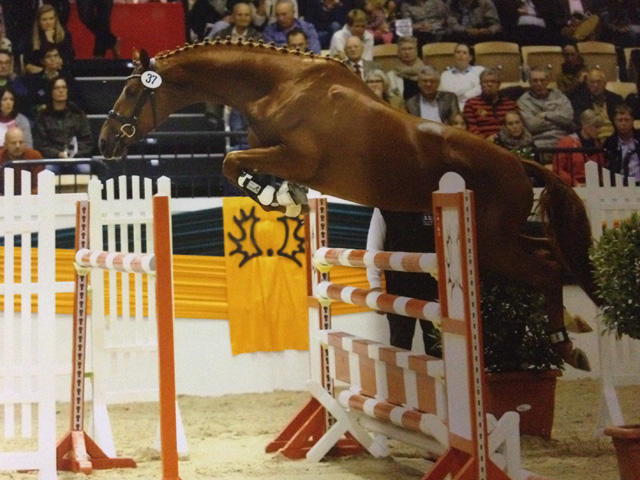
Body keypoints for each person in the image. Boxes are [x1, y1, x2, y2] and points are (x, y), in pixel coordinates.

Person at [366, 207, 441, 357]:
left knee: (436, 348)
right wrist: (374, 286)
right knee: (400, 346)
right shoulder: (383, 208)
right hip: (398, 288)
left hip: (432, 288)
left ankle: (440, 381)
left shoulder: (431, 203)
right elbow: (373, 249)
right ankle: (397, 381)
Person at [517, 66, 575, 157]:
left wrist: (546, 115)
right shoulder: (523, 101)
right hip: (539, 144)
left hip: (565, 141)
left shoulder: (559, 95)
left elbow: (568, 119)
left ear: (547, 81)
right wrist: (559, 121)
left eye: (542, 80)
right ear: (530, 82)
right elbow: (532, 125)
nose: (539, 84)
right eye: (535, 81)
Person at [33, 77, 93, 165]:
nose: (61, 91)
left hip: (76, 157)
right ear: (51, 92)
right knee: (49, 170)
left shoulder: (77, 114)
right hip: (52, 159)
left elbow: (87, 140)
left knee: (84, 169)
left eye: (64, 87)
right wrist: (58, 154)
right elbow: (41, 144)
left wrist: (73, 153)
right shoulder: (42, 116)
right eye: (57, 88)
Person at [462, 67, 518, 141]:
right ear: (480, 84)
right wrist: (486, 140)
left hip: (508, 143)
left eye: (493, 81)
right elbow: (471, 129)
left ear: (499, 84)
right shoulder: (471, 104)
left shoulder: (511, 105)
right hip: (481, 145)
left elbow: (517, 127)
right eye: (485, 82)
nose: (489, 84)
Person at [553, 108, 605, 186]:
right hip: (572, 187)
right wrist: (575, 183)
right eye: (596, 127)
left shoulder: (598, 145)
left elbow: (601, 170)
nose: (599, 130)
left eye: (600, 127)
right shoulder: (566, 142)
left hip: (594, 187)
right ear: (585, 125)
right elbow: (558, 169)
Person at [569, 67, 624, 141]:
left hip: (615, 139)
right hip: (590, 141)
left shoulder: (616, 99)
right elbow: (577, 122)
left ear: (605, 83)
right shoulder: (579, 100)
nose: (595, 85)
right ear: (587, 84)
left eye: (599, 82)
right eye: (592, 82)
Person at [24, 4, 74, 75]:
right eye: (44, 19)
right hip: (39, 75)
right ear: (38, 22)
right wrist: (48, 41)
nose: (48, 23)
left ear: (55, 19)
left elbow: (66, 58)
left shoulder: (65, 34)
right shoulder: (31, 37)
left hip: (61, 74)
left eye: (51, 18)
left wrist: (50, 40)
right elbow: (30, 62)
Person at [439, 42, 484, 111]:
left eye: (464, 53)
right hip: (452, 111)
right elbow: (448, 93)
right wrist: (471, 88)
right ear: (454, 56)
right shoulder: (445, 74)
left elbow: (482, 89)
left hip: (474, 109)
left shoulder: (479, 70)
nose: (461, 55)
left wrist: (465, 95)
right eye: (458, 52)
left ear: (470, 57)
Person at [0, 125, 43, 195]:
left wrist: (28, 199)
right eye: (13, 143)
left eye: (21, 142)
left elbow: (38, 185)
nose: (18, 146)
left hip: (30, 199)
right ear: (5, 145)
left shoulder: (35, 156)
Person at [603, 103, 640, 184]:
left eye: (626, 120)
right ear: (615, 122)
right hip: (620, 185)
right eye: (620, 120)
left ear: (632, 120)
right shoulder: (610, 143)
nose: (623, 123)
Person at [386, 36, 423, 100]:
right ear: (398, 53)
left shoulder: (427, 72)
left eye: (410, 49)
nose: (407, 52)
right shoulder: (390, 76)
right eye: (403, 49)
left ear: (416, 51)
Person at [0, 49, 29, 117]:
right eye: (0, 63)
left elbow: (24, 104)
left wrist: (14, 82)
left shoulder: (17, 82)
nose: (4, 66)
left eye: (7, 63)